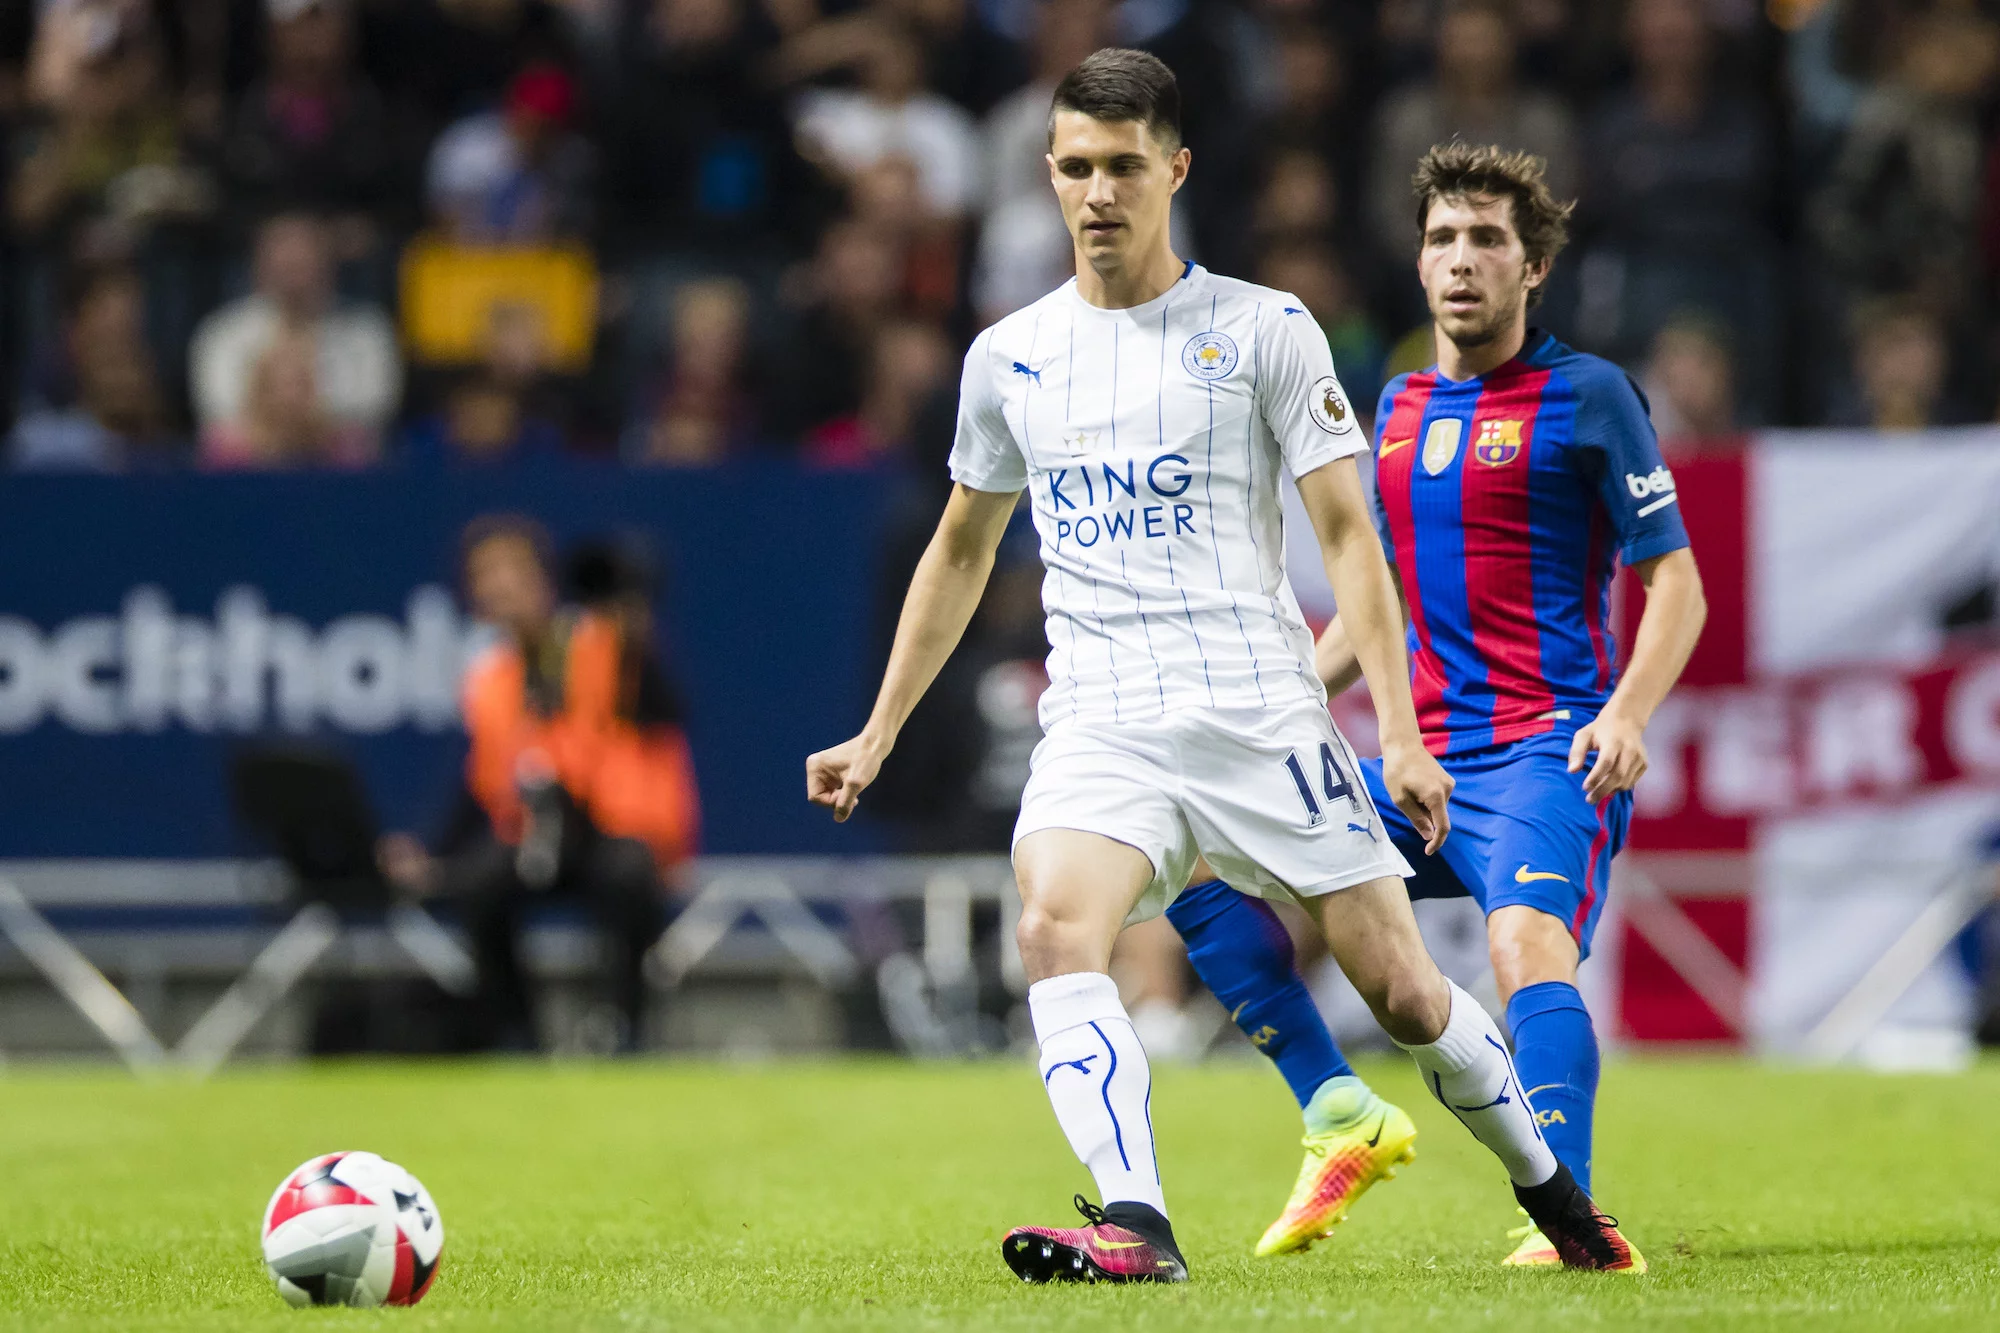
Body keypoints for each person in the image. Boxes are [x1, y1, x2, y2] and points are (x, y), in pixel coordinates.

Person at [805, 50, 1634, 1285]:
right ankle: (1136, 1224)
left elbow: (1352, 541)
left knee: (1404, 993)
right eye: (1075, 167)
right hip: (1098, 718)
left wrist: (1396, 734)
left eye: (1123, 167)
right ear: (1046, 173)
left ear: (1174, 171)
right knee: (1051, 927)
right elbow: (961, 548)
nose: (1096, 193)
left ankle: (1553, 1193)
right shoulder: (1008, 356)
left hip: (1258, 711)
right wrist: (876, 729)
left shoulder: (1259, 329)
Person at [1166, 142, 1706, 1272]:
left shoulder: (1589, 395)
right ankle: (1336, 1110)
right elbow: (1386, 598)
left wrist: (1627, 711)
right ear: (1417, 264)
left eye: (1487, 241)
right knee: (1196, 863)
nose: (1461, 260)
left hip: (1543, 758)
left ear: (1532, 266)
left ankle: (1564, 1216)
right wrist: (1286, 698)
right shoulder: (1401, 403)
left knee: (1519, 943)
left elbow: (1676, 583)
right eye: (1442, 239)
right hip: (1419, 768)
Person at [381, 518, 701, 1051]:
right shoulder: (491, 678)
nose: (499, 585)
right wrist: (429, 850)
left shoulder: (604, 642)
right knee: (480, 882)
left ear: (543, 580)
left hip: (608, 830)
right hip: (536, 838)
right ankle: (517, 1037)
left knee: (628, 877)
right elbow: (479, 780)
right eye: (485, 575)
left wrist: (633, 625)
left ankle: (624, 1032)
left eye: (512, 570)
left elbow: (663, 710)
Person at [189, 212, 402, 440]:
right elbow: (218, 413)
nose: (293, 272)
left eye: (303, 260)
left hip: (343, 468)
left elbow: (376, 409)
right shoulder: (222, 332)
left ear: (328, 262)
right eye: (284, 261)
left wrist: (312, 427)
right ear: (259, 263)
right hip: (248, 466)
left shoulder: (368, 331)